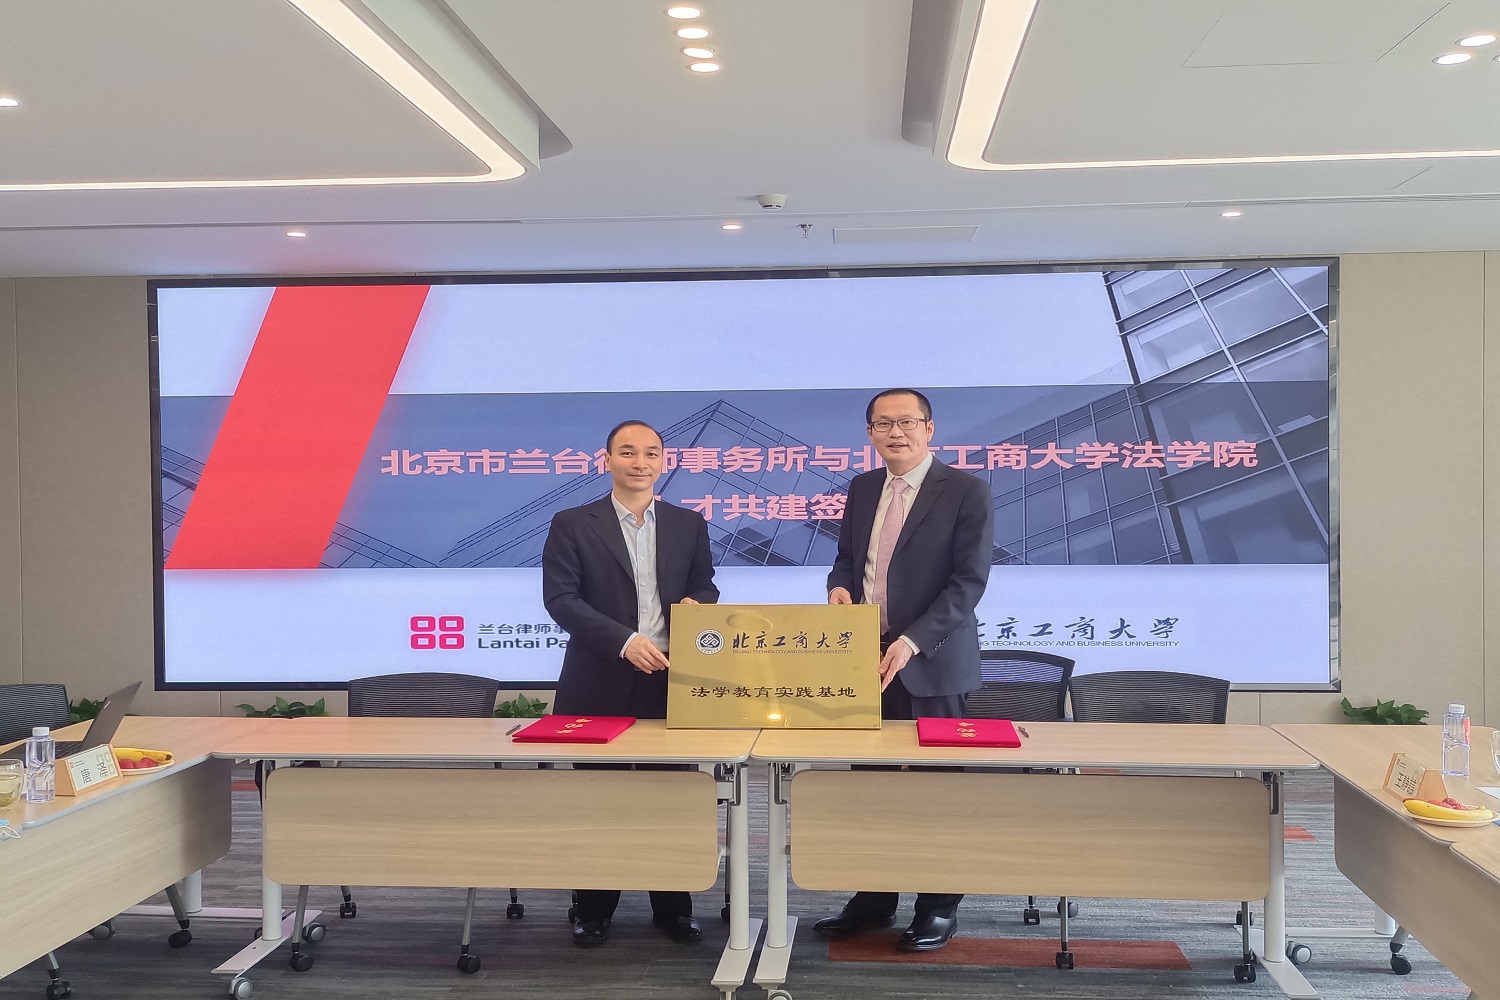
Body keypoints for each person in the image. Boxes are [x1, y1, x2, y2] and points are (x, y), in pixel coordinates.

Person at [814, 388, 992, 952]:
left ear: (929, 428)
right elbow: (848, 559)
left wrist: (913, 641)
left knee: (939, 793)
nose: (897, 432)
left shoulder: (965, 490)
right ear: (869, 432)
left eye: (907, 422)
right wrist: (838, 587)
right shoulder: (863, 487)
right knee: (872, 790)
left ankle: (938, 907)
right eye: (884, 423)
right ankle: (873, 898)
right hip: (866, 661)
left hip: (932, 663)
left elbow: (969, 581)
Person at [541, 419, 719, 949]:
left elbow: (705, 585)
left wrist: (698, 606)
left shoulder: (688, 523)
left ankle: (673, 908)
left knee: (671, 799)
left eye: (650, 453)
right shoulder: (573, 523)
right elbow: (561, 599)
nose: (640, 462)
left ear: (663, 461)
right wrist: (623, 641)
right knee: (602, 801)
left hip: (670, 680)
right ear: (608, 460)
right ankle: (594, 909)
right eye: (627, 452)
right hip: (598, 680)